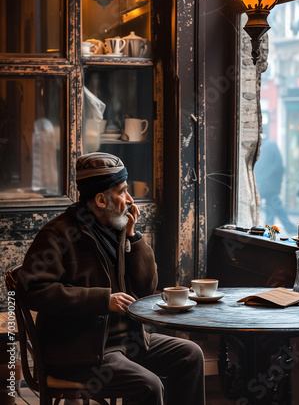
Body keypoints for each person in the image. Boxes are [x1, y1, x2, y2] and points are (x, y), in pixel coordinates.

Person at [17, 152, 205, 405]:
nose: (130, 200)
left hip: (129, 341)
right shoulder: (57, 235)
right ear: (101, 199)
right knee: (148, 386)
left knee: (190, 354)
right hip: (82, 352)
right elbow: (30, 289)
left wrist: (134, 237)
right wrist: (102, 299)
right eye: (122, 191)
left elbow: (146, 288)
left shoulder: (115, 228)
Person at [254, 136, 297, 235]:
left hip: (267, 185)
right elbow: (279, 167)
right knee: (274, 206)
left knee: (273, 206)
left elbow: (273, 167)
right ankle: (281, 228)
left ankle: (273, 228)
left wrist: (263, 180)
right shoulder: (269, 145)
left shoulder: (265, 147)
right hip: (270, 185)